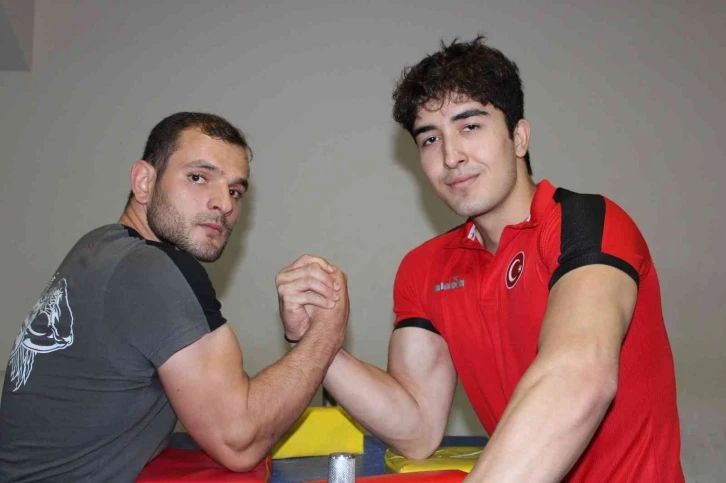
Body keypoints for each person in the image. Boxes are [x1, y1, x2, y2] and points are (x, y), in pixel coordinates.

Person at [280, 36, 684, 482]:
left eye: (470, 126)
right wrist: (317, 344)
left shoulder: (586, 223)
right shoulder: (425, 268)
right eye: (430, 138)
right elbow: (417, 429)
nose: (451, 156)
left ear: (519, 137)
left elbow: (579, 376)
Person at [0, 112, 348, 482]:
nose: (224, 204)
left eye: (235, 191)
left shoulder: (99, 245)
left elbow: (219, 397)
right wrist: (326, 332)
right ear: (144, 182)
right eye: (198, 177)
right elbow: (239, 441)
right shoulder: (155, 269)